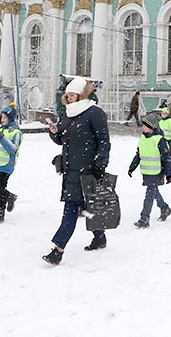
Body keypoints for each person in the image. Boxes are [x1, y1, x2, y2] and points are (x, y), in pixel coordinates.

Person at [42, 76, 111, 266]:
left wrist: (100, 166)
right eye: (67, 95)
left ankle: (58, 250)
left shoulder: (94, 113)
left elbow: (104, 141)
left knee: (72, 209)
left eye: (72, 95)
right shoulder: (68, 114)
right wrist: (54, 132)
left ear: (81, 94)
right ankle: (100, 237)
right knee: (85, 208)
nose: (69, 98)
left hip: (88, 171)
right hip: (70, 170)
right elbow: (61, 140)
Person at [127, 113, 171, 228]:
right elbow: (139, 154)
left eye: (145, 125)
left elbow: (166, 158)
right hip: (147, 171)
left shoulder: (160, 140)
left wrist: (168, 174)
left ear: (152, 127)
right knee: (153, 191)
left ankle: (144, 218)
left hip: (157, 171)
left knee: (149, 193)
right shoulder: (143, 138)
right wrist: (132, 167)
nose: (143, 127)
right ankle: (164, 208)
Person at [0, 103, 22, 224]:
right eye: (2, 117)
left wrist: (3, 138)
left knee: (0, 188)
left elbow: (13, 148)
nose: (2, 119)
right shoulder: (0, 130)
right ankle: (10, 197)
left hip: (7, 164)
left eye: (5, 117)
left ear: (11, 118)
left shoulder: (16, 132)